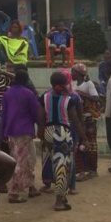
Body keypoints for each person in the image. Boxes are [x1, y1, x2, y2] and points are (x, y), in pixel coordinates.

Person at [38, 72, 89, 211]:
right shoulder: (69, 99)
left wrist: (41, 134)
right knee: (62, 167)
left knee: (52, 163)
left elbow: (41, 117)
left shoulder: (45, 97)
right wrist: (84, 138)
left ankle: (61, 196)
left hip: (49, 132)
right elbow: (76, 121)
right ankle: (59, 201)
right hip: (63, 134)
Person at [1, 70, 42, 203]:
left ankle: (31, 187)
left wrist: (3, 132)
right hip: (24, 130)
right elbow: (35, 112)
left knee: (25, 158)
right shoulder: (28, 93)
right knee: (23, 161)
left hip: (11, 130)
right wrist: (40, 126)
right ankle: (14, 192)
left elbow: (4, 114)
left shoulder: (7, 94)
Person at [71, 64, 101, 181]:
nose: (71, 74)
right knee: (79, 145)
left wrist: (80, 93)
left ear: (78, 73)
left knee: (91, 144)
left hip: (89, 118)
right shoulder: (73, 84)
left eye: (73, 72)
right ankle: (82, 170)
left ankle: (92, 170)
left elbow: (96, 98)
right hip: (78, 119)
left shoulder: (88, 84)